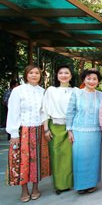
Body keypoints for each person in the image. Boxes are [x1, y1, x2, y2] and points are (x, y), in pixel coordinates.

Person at [6, 64, 50, 202]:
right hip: (22, 130)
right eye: (31, 72)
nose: (34, 75)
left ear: (40, 76)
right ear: (26, 75)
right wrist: (14, 133)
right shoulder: (18, 91)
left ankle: (36, 188)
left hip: (38, 130)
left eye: (37, 73)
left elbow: (44, 112)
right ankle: (24, 190)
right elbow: (13, 112)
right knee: (21, 161)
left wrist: (46, 129)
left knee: (37, 160)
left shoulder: (43, 91)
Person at [66, 68, 102, 194]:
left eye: (94, 79)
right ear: (84, 79)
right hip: (79, 131)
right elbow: (70, 112)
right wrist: (69, 130)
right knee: (80, 158)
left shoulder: (101, 95)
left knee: (93, 159)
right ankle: (80, 185)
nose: (91, 81)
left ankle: (91, 184)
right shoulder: (76, 93)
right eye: (89, 78)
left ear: (98, 81)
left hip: (95, 132)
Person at [41, 65, 76, 194]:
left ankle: (69, 183)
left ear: (71, 76)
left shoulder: (76, 91)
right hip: (55, 126)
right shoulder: (51, 90)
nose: (63, 75)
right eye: (60, 73)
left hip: (71, 127)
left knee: (70, 157)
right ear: (57, 76)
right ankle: (59, 185)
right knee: (57, 156)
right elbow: (44, 110)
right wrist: (46, 129)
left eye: (66, 72)